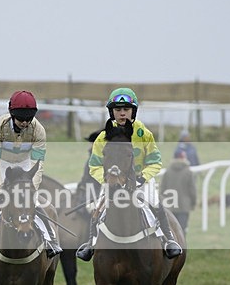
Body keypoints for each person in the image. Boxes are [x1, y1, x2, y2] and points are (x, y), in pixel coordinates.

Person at [76, 87, 182, 261]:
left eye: (126, 109)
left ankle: (169, 240)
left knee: (156, 203)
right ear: (112, 112)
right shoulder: (103, 138)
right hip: (112, 182)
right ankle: (90, 244)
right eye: (118, 110)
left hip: (141, 181)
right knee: (98, 209)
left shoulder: (144, 134)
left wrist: (143, 178)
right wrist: (106, 179)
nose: (122, 113)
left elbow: (155, 162)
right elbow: (94, 166)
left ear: (133, 111)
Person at [0, 90, 62, 260]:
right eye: (21, 119)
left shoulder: (38, 130)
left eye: (29, 120)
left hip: (25, 164)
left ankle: (51, 241)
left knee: (33, 201)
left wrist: (32, 188)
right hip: (1, 163)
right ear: (12, 114)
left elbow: (38, 163)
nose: (25, 123)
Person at [160, 149, 196, 233]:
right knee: (182, 232)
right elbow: (192, 190)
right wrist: (193, 203)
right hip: (184, 206)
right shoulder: (188, 172)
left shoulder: (167, 172)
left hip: (169, 206)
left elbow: (162, 190)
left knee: (171, 232)